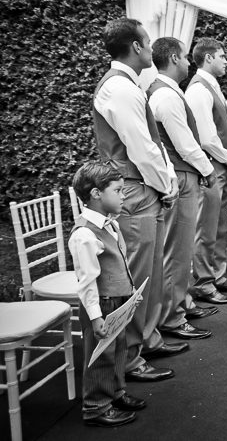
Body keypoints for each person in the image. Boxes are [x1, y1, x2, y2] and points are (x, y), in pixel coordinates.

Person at [93, 18, 182, 383]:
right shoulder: (121, 89)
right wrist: (166, 184)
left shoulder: (125, 85)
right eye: (147, 43)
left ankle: (146, 339)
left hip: (137, 185)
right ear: (135, 47)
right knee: (136, 277)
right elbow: (142, 148)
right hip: (133, 188)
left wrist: (166, 180)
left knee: (151, 271)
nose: (151, 48)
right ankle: (129, 359)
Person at [147, 37, 216, 340]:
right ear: (174, 58)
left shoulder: (164, 91)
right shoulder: (167, 96)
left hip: (180, 174)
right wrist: (208, 170)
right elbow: (185, 145)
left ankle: (180, 304)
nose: (189, 62)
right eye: (186, 57)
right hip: (182, 176)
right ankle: (173, 319)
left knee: (177, 250)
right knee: (178, 252)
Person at [69, 161, 146, 427]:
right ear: (96, 194)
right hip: (101, 305)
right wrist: (95, 316)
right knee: (100, 355)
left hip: (118, 300)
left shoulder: (110, 224)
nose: (124, 195)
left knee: (118, 350)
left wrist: (131, 291)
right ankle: (96, 407)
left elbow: (120, 261)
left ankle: (116, 393)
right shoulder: (84, 235)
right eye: (118, 190)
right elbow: (87, 281)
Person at [185, 38, 227, 306]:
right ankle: (203, 283)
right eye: (221, 56)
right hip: (210, 167)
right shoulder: (199, 89)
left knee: (220, 225)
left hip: (220, 165)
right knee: (206, 229)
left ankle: (218, 275)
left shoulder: (212, 86)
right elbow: (206, 138)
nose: (225, 61)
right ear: (208, 58)